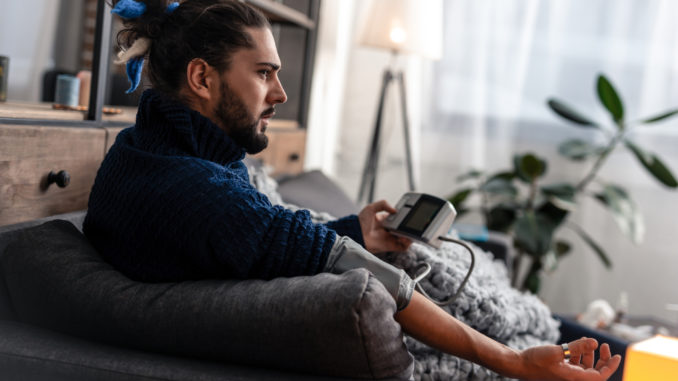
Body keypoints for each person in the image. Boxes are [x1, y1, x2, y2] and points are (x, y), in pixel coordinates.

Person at [84, 0, 622, 379]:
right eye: (265, 73)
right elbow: (375, 279)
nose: (281, 91)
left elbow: (267, 241)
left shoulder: (146, 151)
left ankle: (605, 336)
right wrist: (514, 364)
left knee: (571, 333)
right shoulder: (194, 190)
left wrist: (353, 228)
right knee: (587, 348)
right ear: (202, 79)